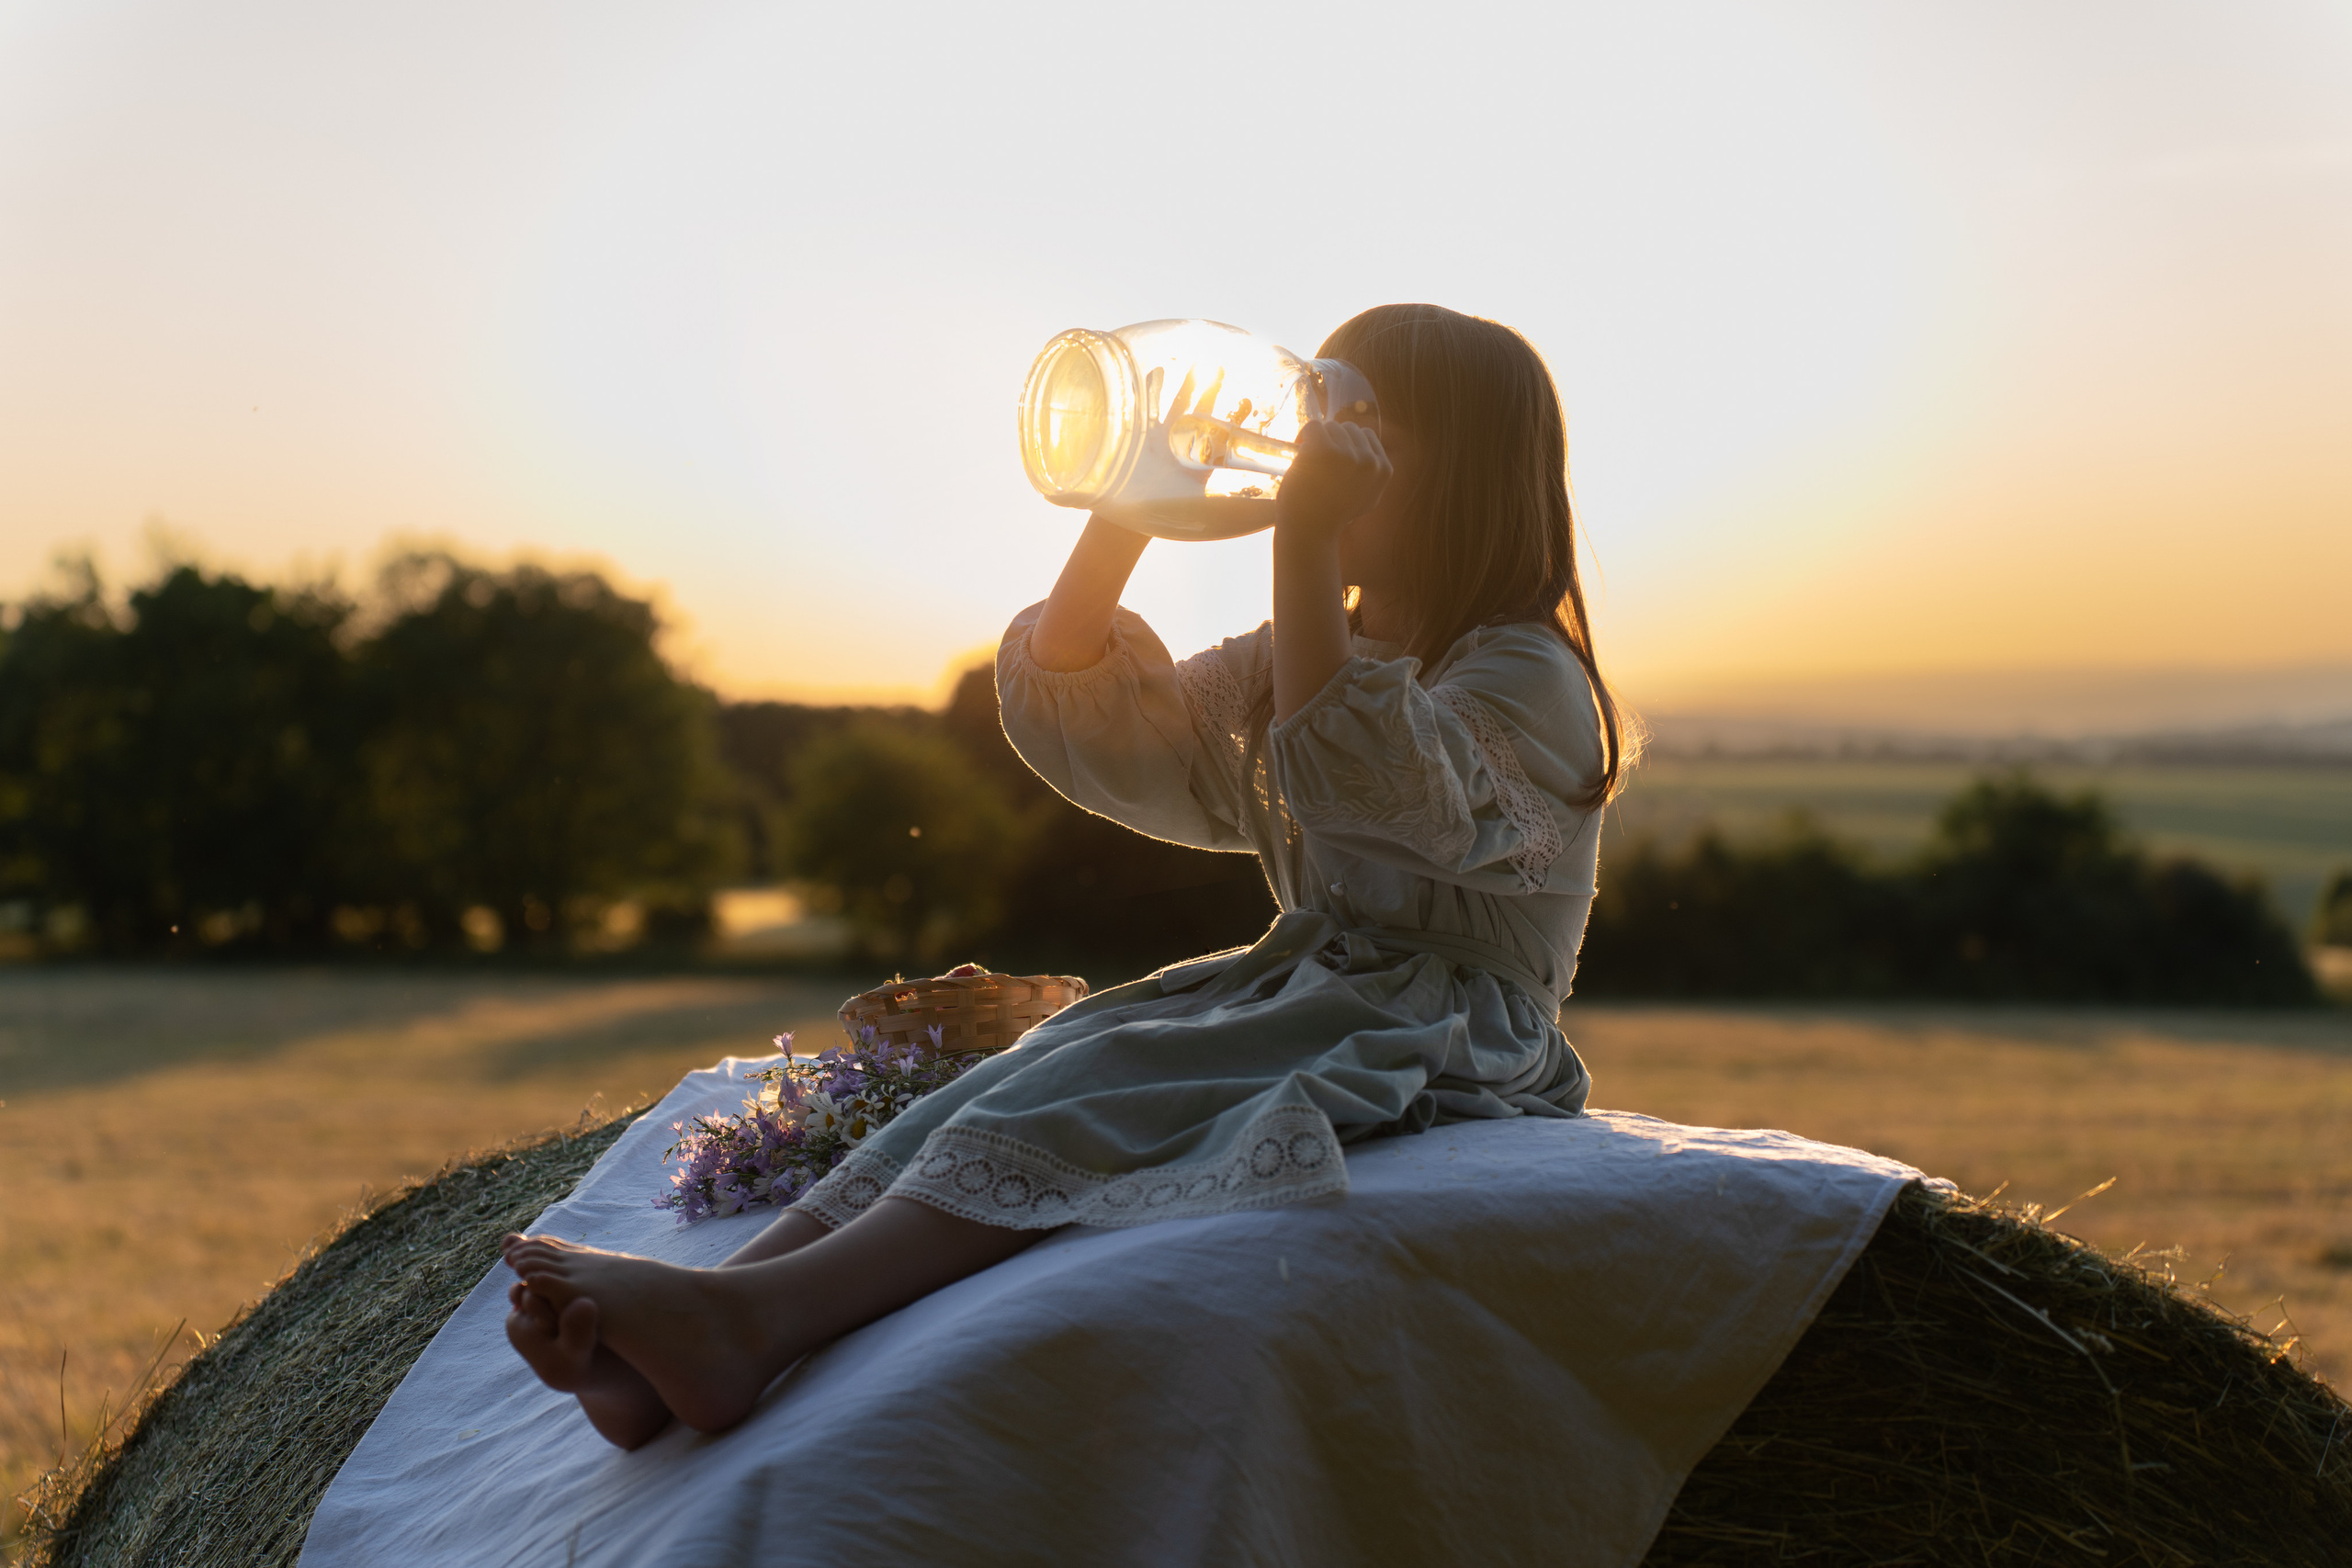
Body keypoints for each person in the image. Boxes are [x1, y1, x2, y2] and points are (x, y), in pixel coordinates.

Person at [502, 302, 1638, 1449]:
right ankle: (698, 1332)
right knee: (1018, 1074)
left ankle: (746, 1325)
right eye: (1313, 422)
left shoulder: (1527, 673)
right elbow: (1107, 719)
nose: (1312, 457)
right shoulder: (1304, 648)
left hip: (1448, 1026)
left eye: (1355, 427)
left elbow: (1360, 774)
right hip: (1314, 993)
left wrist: (1300, 541)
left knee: (1112, 1086)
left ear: (1462, 474)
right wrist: (1128, 507)